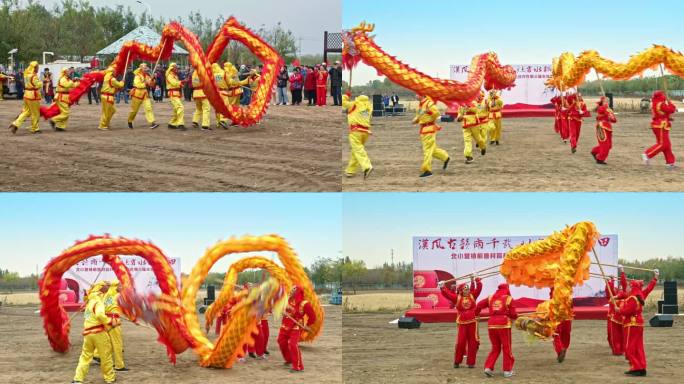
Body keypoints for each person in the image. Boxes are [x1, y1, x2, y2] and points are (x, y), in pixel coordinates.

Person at [71, 282, 116, 384]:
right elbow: (100, 315)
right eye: (106, 285)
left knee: (85, 357)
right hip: (99, 333)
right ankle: (109, 378)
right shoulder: (98, 301)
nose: (108, 286)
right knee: (105, 356)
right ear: (101, 289)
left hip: (88, 333)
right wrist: (109, 321)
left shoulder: (90, 301)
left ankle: (78, 379)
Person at [438, 276, 483, 368]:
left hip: (472, 323)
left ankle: (471, 363)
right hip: (462, 323)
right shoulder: (457, 298)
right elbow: (447, 295)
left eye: (467, 289)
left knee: (473, 342)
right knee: (461, 342)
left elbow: (479, 288)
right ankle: (457, 361)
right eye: (465, 289)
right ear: (461, 291)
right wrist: (442, 287)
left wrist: (477, 280)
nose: (467, 290)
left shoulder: (472, 295)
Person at [475, 283, 518, 378]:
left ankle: (488, 367)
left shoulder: (490, 297)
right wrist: (514, 317)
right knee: (507, 347)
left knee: (495, 347)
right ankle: (507, 370)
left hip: (492, 325)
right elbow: (513, 314)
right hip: (503, 325)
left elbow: (479, 304)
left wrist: (476, 313)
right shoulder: (508, 298)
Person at [278, 285, 316, 372]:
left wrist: (308, 325)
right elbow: (282, 310)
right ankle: (289, 359)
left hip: (296, 326)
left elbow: (313, 317)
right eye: (291, 289)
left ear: (298, 291)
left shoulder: (304, 304)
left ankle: (298, 367)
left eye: (294, 289)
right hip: (285, 324)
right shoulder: (287, 300)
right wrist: (282, 311)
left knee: (292, 344)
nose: (291, 291)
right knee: (281, 341)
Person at [94, 281, 128, 371]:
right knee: (117, 343)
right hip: (113, 320)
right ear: (115, 286)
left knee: (106, 341)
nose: (122, 287)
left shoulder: (106, 296)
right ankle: (119, 365)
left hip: (106, 320)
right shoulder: (118, 296)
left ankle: (97, 355)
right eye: (120, 286)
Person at [414, 94, 449, 177]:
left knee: (427, 150)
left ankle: (427, 170)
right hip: (424, 130)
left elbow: (436, 114)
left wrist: (428, 112)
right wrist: (415, 120)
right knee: (431, 149)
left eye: (417, 94)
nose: (415, 95)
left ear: (421, 95)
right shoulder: (419, 106)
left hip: (429, 129)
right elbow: (418, 117)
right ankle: (445, 157)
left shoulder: (429, 104)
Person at [342, 92, 373, 179]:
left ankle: (367, 166)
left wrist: (346, 96)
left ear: (358, 97)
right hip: (366, 132)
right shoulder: (369, 107)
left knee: (358, 150)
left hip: (356, 131)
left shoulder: (355, 104)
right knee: (355, 151)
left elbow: (342, 102)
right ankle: (350, 171)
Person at [643, 90, 677, 167]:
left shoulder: (656, 103)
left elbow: (662, 113)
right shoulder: (661, 103)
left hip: (659, 125)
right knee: (663, 144)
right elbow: (671, 110)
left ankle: (670, 162)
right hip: (660, 125)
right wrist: (670, 102)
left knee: (667, 144)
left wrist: (668, 118)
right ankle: (648, 154)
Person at [9, 61, 43, 134]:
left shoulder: (26, 74)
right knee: (35, 113)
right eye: (37, 67)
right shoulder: (33, 76)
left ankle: (15, 123)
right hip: (33, 96)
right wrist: (41, 82)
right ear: (34, 68)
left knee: (26, 111)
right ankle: (35, 128)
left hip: (26, 95)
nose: (38, 68)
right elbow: (38, 85)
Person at [457, 96, 487, 164]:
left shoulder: (473, 102)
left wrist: (469, 107)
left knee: (478, 138)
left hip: (474, 124)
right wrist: (459, 117)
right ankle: (468, 156)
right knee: (467, 140)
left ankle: (483, 147)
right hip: (465, 125)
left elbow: (476, 110)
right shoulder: (461, 104)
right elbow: (459, 113)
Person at [127, 63, 158, 129]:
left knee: (148, 108)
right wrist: (146, 82)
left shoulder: (147, 76)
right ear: (141, 69)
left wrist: (152, 79)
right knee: (134, 111)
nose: (146, 69)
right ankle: (130, 120)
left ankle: (152, 122)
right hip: (137, 94)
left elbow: (151, 85)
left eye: (146, 68)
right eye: (145, 68)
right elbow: (138, 85)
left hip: (145, 94)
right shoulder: (137, 76)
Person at [49, 67, 80, 132]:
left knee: (64, 112)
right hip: (61, 97)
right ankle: (53, 120)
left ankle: (60, 127)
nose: (69, 72)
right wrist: (73, 81)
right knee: (66, 113)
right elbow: (67, 85)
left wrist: (78, 82)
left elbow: (73, 85)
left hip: (64, 97)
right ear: (65, 72)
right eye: (68, 71)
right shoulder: (63, 79)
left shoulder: (67, 79)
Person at [591, 96, 617, 164]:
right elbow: (602, 110)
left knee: (609, 145)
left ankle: (594, 151)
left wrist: (610, 115)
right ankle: (600, 159)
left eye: (608, 101)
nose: (607, 103)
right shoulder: (601, 108)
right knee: (604, 145)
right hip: (601, 127)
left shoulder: (608, 109)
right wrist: (607, 110)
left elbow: (614, 120)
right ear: (602, 102)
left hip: (608, 128)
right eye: (606, 101)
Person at [550, 287, 572, 363]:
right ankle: (564, 348)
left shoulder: (555, 287)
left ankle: (560, 350)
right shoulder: (568, 287)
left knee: (556, 333)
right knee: (566, 333)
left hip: (558, 314)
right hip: (566, 314)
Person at [98, 66, 124, 131]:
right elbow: (119, 85)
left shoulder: (106, 77)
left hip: (106, 96)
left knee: (111, 111)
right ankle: (103, 125)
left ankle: (105, 123)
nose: (115, 72)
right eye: (114, 71)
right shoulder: (112, 79)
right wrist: (122, 82)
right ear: (112, 72)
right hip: (108, 96)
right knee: (107, 112)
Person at [165, 62, 186, 130]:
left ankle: (172, 123)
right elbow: (174, 83)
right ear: (172, 68)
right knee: (180, 107)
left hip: (176, 93)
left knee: (176, 109)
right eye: (175, 67)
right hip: (173, 93)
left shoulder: (175, 75)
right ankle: (180, 124)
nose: (177, 68)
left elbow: (177, 83)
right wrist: (181, 82)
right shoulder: (169, 75)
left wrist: (183, 82)